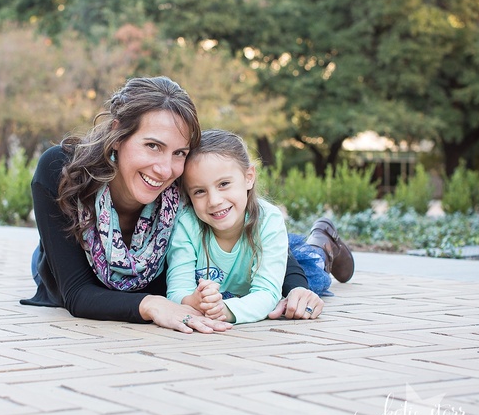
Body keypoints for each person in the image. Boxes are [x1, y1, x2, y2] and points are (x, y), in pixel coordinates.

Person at [21, 76, 326, 333]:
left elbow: (259, 227)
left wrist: (296, 285)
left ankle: (322, 243)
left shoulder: (182, 182)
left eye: (179, 152)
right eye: (152, 146)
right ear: (117, 134)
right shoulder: (62, 172)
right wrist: (152, 305)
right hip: (73, 257)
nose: (165, 170)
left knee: (278, 258)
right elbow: (76, 293)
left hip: (210, 255)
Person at [166, 130, 354, 324]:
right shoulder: (187, 225)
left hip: (273, 266)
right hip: (242, 286)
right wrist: (192, 302)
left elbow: (267, 293)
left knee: (309, 278)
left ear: (249, 177)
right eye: (199, 191)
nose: (214, 201)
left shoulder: (268, 220)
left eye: (223, 184)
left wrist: (224, 311)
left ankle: (323, 243)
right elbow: (176, 291)